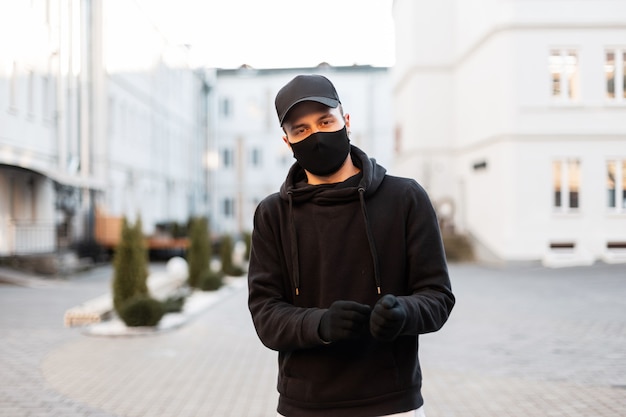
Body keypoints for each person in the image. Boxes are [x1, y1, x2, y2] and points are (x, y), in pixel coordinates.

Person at [247, 74, 455, 417]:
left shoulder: (405, 198)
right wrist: (321, 324)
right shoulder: (273, 214)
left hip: (391, 404)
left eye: (325, 121)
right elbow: (265, 314)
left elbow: (438, 296)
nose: (315, 135)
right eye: (301, 130)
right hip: (305, 405)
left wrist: (403, 314)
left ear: (345, 121)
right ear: (287, 141)